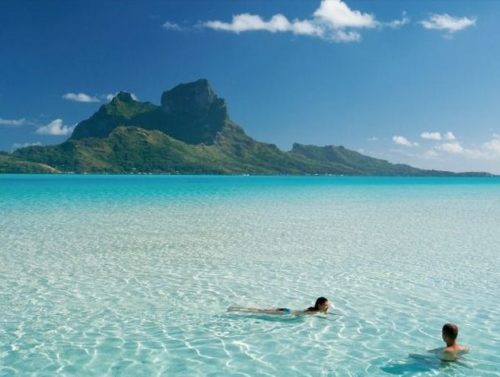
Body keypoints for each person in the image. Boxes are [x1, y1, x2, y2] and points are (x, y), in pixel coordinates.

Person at [228, 297, 329, 315]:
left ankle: (235, 308)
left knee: (261, 310)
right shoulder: (315, 312)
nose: (327, 306)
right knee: (259, 311)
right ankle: (237, 309)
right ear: (319, 305)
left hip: (286, 310)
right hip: (285, 312)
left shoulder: (314, 310)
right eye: (325, 305)